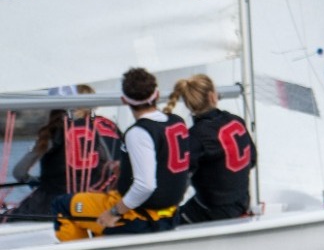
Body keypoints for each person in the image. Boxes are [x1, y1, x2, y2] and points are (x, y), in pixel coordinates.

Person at [72, 68, 191, 238]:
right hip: (170, 211)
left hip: (143, 215)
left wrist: (114, 212)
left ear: (124, 100)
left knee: (64, 206)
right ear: (156, 94)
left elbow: (145, 186)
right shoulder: (177, 122)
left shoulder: (138, 132)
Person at [7, 86, 117, 220]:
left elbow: (18, 172)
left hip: (51, 203)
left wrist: (33, 181)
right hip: (90, 201)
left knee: (10, 219)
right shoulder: (102, 129)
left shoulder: (53, 132)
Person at [166, 75, 258, 223]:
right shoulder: (236, 121)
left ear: (189, 104)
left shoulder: (195, 136)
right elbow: (252, 161)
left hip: (212, 211)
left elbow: (180, 179)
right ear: (212, 96)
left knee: (167, 221)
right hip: (242, 203)